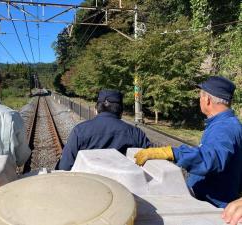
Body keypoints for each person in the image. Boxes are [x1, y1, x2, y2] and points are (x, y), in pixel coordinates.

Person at [134, 75, 242, 208]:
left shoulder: (224, 128)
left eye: (200, 96)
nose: (199, 99)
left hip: (211, 207)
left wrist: (173, 153)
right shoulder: (223, 123)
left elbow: (210, 159)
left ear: (207, 100)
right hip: (207, 200)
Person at [57, 89, 152, 170]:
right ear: (121, 111)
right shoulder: (136, 133)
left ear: (96, 110)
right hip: (127, 188)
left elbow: (64, 167)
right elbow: (153, 163)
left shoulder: (79, 131)